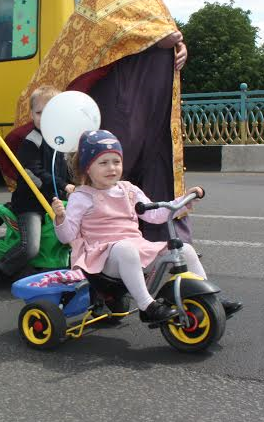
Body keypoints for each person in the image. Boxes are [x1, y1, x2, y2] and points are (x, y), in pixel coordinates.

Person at [13, 0, 188, 245]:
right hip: (122, 94)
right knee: (116, 167)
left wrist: (180, 45)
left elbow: (166, 28)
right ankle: (105, 244)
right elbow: (106, 28)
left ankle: (166, 243)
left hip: (155, 99)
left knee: (157, 164)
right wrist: (156, 38)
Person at [50, 129, 207, 323]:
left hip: (134, 247)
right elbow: (67, 237)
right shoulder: (81, 196)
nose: (112, 168)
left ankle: (205, 297)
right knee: (126, 249)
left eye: (116, 162)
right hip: (100, 258)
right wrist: (60, 218)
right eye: (103, 163)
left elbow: (155, 214)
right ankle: (146, 305)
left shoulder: (129, 190)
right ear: (87, 168)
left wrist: (184, 200)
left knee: (185, 249)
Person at [0, 85, 72, 288]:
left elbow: (68, 169)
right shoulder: (32, 141)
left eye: (50, 113)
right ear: (31, 114)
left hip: (55, 201)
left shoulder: (62, 141)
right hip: (31, 203)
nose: (44, 118)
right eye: (39, 113)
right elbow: (33, 173)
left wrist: (77, 184)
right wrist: (64, 185)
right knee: (30, 247)